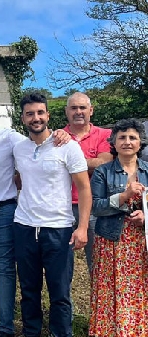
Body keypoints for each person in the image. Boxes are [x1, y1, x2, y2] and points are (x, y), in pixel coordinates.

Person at [12, 93, 91, 337]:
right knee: (29, 290)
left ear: (48, 115)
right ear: (23, 118)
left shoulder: (67, 146)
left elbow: (83, 188)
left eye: (41, 113)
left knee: (60, 292)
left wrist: (81, 227)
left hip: (58, 228)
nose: (36, 118)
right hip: (24, 227)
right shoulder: (18, 147)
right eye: (30, 114)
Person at [89, 118, 148, 337]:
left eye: (132, 137)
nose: (127, 142)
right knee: (114, 295)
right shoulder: (104, 172)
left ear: (140, 143)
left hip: (141, 243)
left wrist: (145, 216)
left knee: (141, 296)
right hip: (112, 242)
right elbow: (96, 206)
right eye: (122, 137)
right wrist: (123, 198)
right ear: (113, 142)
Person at [64, 92, 113, 274]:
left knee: (98, 265)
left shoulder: (105, 135)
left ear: (90, 110)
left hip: (95, 207)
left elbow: (103, 164)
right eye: (74, 108)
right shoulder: (58, 137)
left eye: (82, 107)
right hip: (63, 207)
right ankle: (63, 303)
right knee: (62, 266)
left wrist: (70, 163)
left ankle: (100, 302)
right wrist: (90, 162)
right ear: (66, 111)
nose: (78, 112)